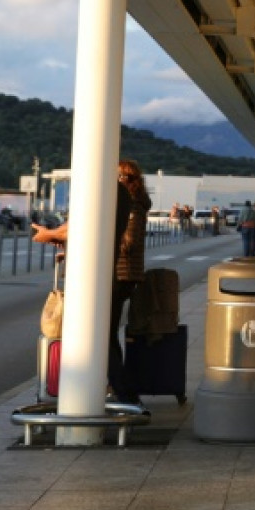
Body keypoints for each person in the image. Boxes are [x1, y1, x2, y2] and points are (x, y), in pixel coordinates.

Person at [33, 159, 151, 407]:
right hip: (114, 274)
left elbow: (125, 242)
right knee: (105, 334)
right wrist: (70, 246)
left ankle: (125, 393)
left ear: (128, 180)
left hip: (117, 275)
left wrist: (59, 237)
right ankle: (120, 389)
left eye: (119, 177)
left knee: (99, 334)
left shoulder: (132, 206)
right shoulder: (124, 203)